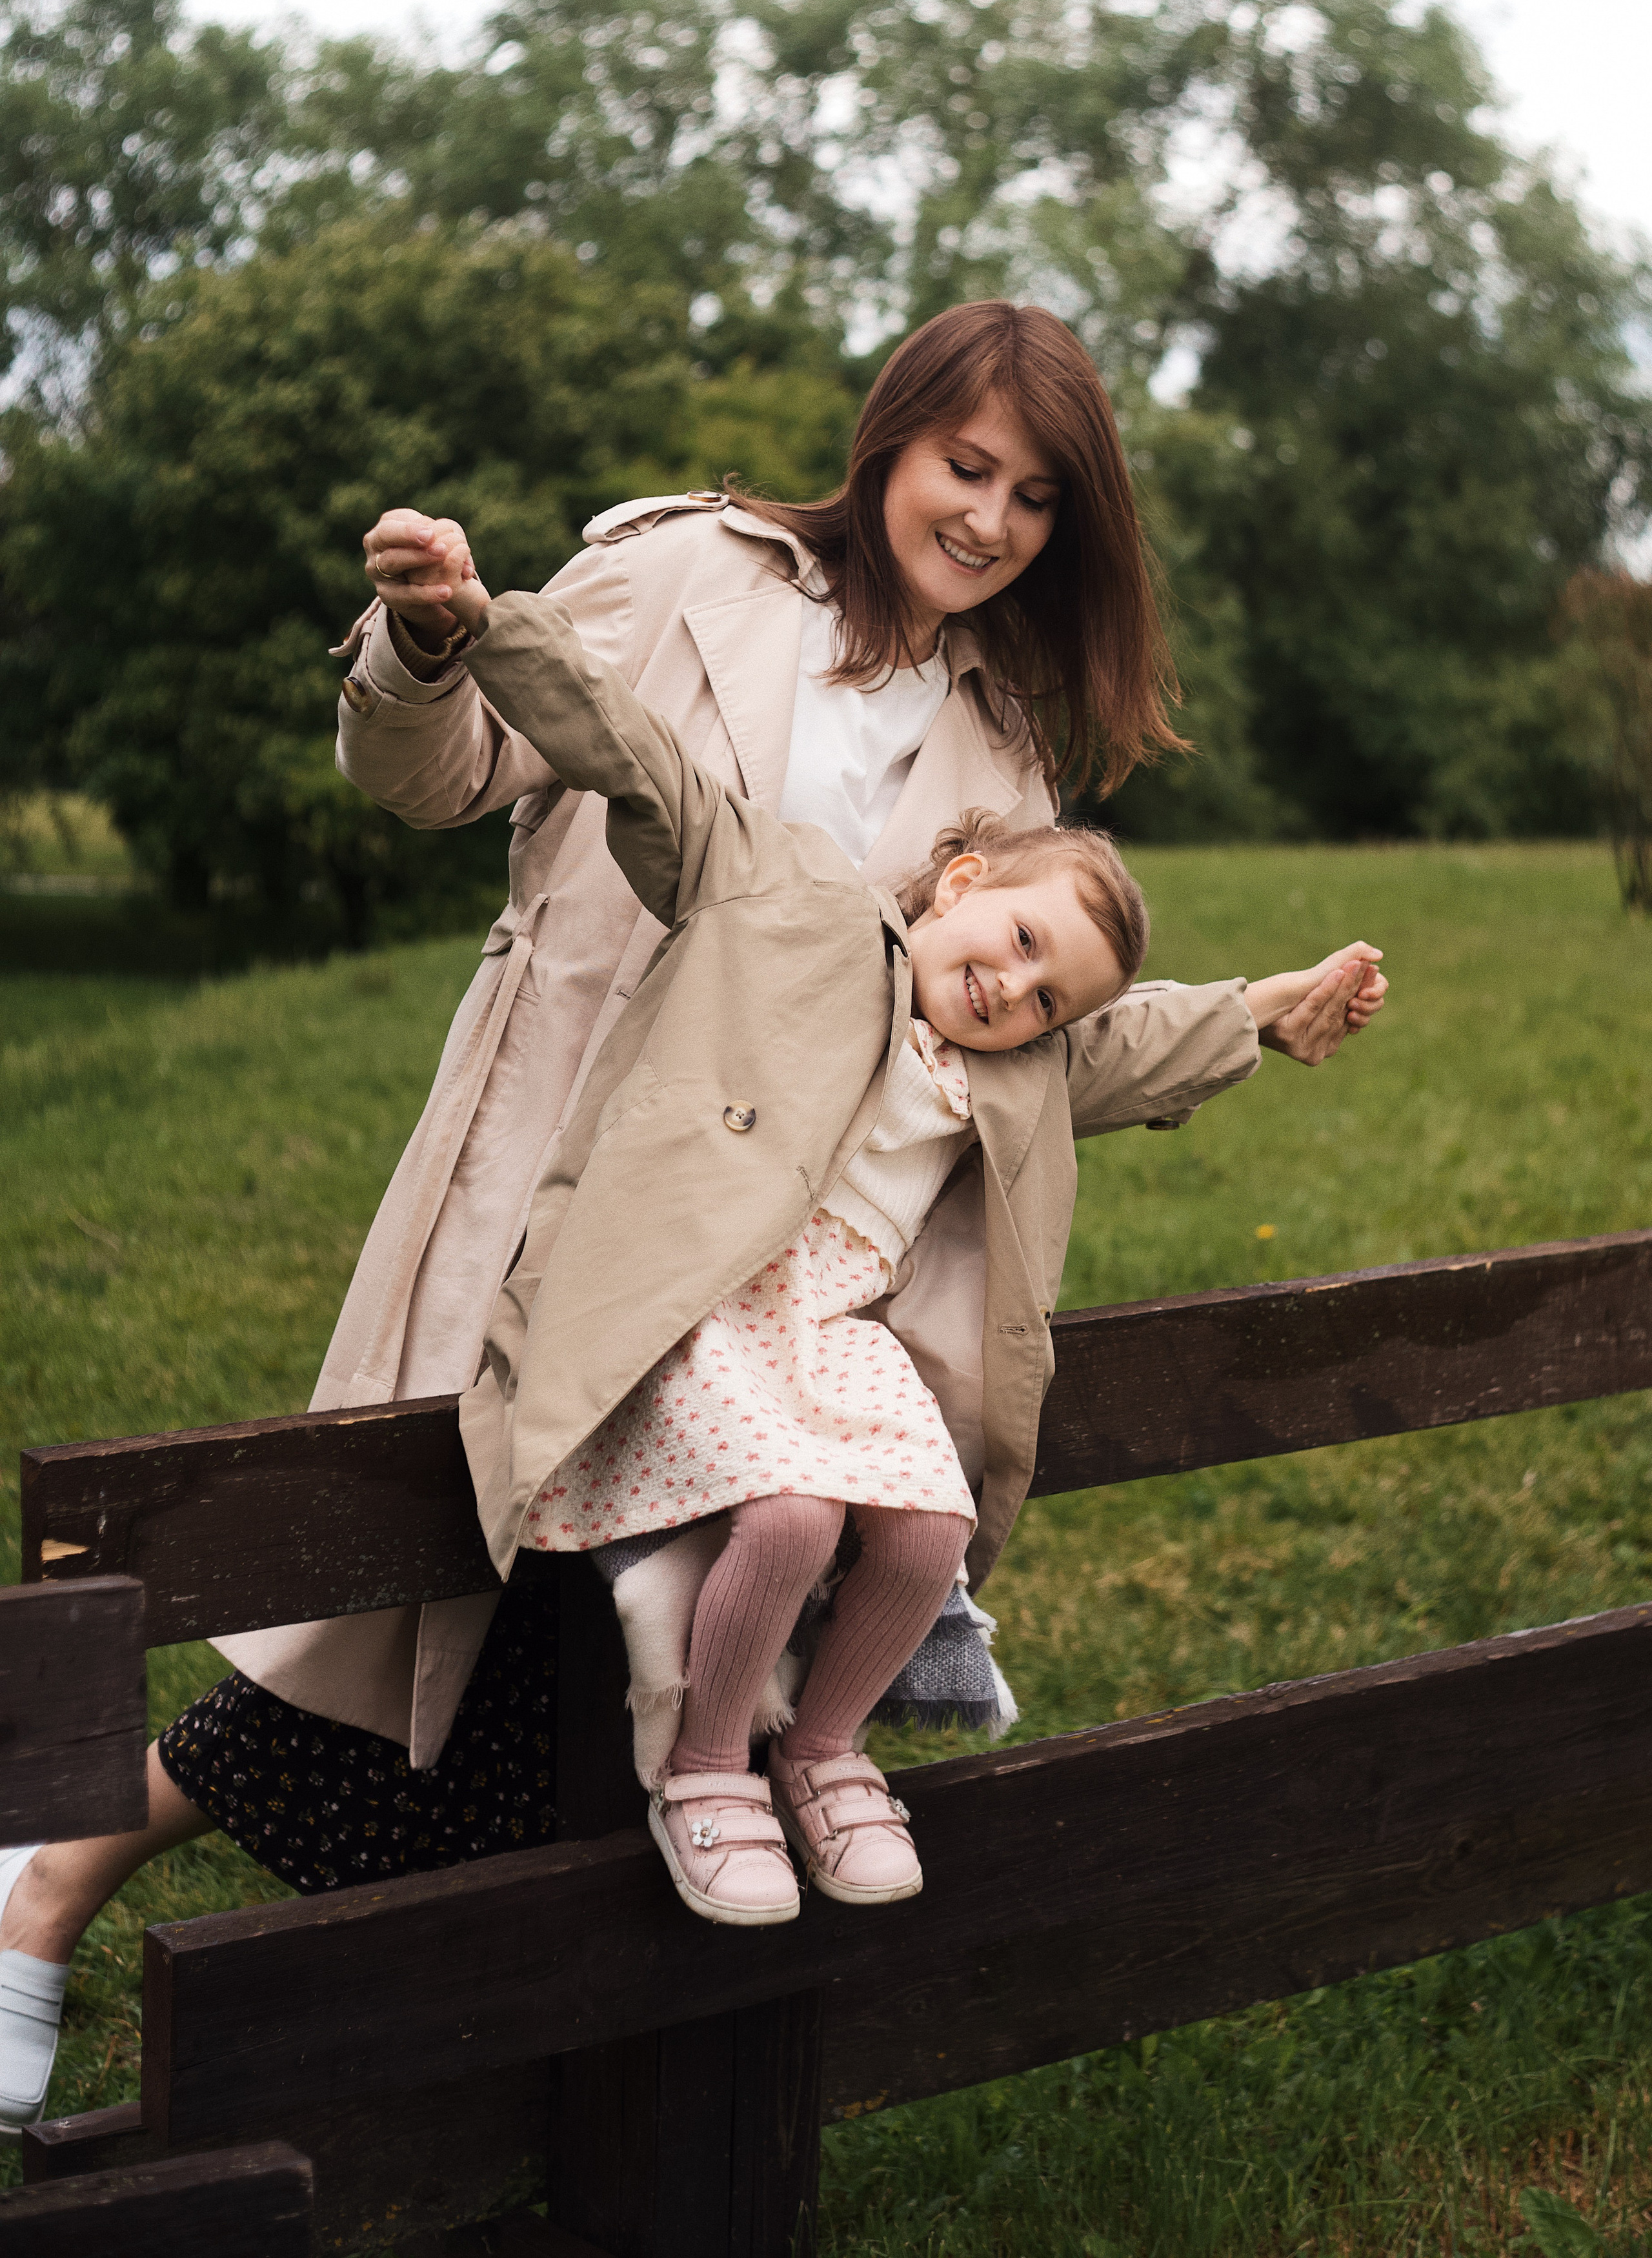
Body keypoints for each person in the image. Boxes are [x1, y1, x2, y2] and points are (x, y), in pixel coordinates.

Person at [0, 303, 1385, 2117]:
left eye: (1036, 498)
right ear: (892, 437)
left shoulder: (1004, 750)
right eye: (967, 467)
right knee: (413, 1604)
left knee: (564, 1649)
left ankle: (464, 2055)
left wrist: (1256, 1021)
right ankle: (48, 1897)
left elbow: (1019, 1038)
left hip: (766, 1270)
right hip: (556, 1175)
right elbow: (433, 773)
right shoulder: (685, 575)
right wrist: (434, 645)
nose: (988, 520)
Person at [415, 552, 1384, 1924]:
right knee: (796, 1512)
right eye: (1018, 937)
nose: (1014, 987)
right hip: (703, 1300)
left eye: (1046, 996)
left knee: (930, 1526)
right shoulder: (787, 905)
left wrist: (1263, 1013)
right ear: (960, 881)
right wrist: (487, 631)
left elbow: (1139, 1038)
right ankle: (703, 1768)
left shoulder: (1013, 1066)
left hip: (829, 1328)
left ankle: (822, 1752)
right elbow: (640, 763)